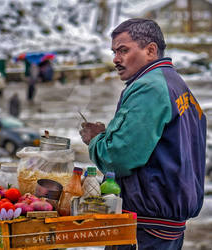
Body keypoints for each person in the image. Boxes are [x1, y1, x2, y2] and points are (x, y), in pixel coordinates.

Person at [79, 18, 206, 250]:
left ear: (150, 50)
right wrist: (110, 135)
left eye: (123, 50)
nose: (116, 59)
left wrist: (96, 140)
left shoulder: (149, 87)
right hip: (167, 223)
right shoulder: (175, 84)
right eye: (114, 52)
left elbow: (120, 157)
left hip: (145, 226)